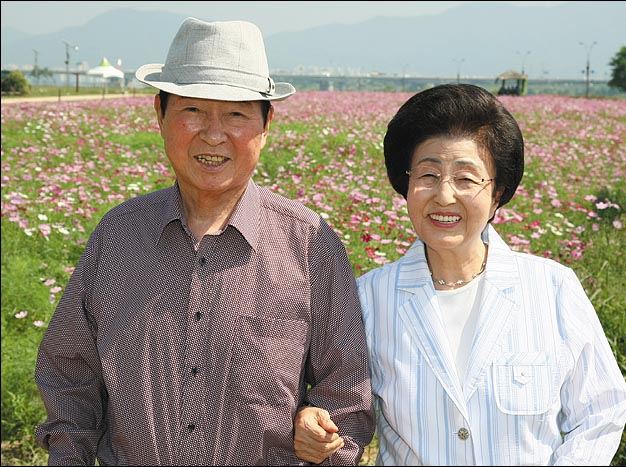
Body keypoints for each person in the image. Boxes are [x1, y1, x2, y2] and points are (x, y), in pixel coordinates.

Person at [34, 17, 374, 466]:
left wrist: (325, 436)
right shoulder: (118, 236)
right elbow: (68, 375)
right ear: (160, 113)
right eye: (193, 110)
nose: (214, 135)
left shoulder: (310, 243)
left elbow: (347, 396)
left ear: (267, 123)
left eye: (235, 115)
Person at [294, 84, 626, 465]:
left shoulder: (552, 288)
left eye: (466, 179)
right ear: (405, 184)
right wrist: (312, 419)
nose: (444, 195)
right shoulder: (369, 298)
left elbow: (602, 410)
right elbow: (338, 403)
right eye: (428, 175)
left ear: (498, 193)